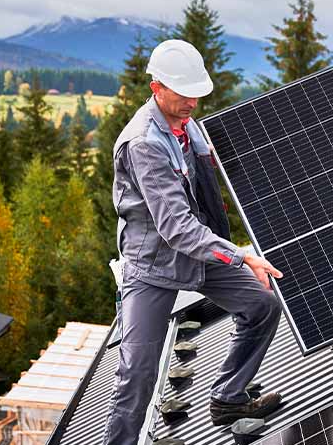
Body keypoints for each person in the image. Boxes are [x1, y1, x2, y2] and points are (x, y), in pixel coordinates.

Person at [103, 40, 285, 444]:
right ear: (157, 88)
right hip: (153, 267)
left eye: (196, 94)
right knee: (138, 372)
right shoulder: (144, 144)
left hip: (199, 255)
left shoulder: (189, 128)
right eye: (183, 94)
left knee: (261, 306)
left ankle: (228, 398)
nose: (191, 102)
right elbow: (176, 228)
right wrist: (241, 255)